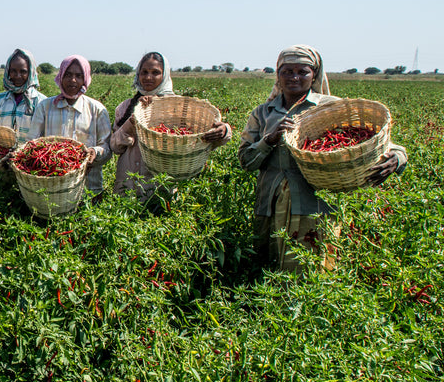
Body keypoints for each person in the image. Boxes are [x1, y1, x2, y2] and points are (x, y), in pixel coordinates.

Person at [238, 45, 405, 271]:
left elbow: (375, 143)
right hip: (269, 204)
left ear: (314, 74)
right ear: (278, 74)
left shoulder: (330, 108)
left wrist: (397, 158)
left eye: (302, 72)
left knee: (311, 269)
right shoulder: (263, 113)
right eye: (287, 71)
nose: (294, 77)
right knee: (268, 268)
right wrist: (269, 139)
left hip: (315, 205)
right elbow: (246, 160)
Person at [109, 52, 232, 200]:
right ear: (138, 74)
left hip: (159, 190)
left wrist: (224, 131)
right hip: (126, 187)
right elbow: (115, 147)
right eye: (144, 72)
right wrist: (132, 121)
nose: (148, 77)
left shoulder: (178, 106)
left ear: (165, 75)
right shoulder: (125, 107)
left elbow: (198, 137)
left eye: (155, 72)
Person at [33, 55, 113, 194]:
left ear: (85, 79)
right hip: (52, 188)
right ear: (61, 76)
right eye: (68, 75)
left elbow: (107, 147)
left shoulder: (97, 109)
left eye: (78, 76)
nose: (73, 80)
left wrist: (95, 152)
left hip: (89, 187)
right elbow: (31, 142)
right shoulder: (45, 107)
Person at [0, 48, 46, 146]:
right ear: (8, 72)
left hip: (30, 154)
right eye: (13, 71)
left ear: (30, 73)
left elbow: (46, 136)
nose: (18, 76)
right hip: (2, 154)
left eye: (23, 71)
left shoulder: (41, 102)